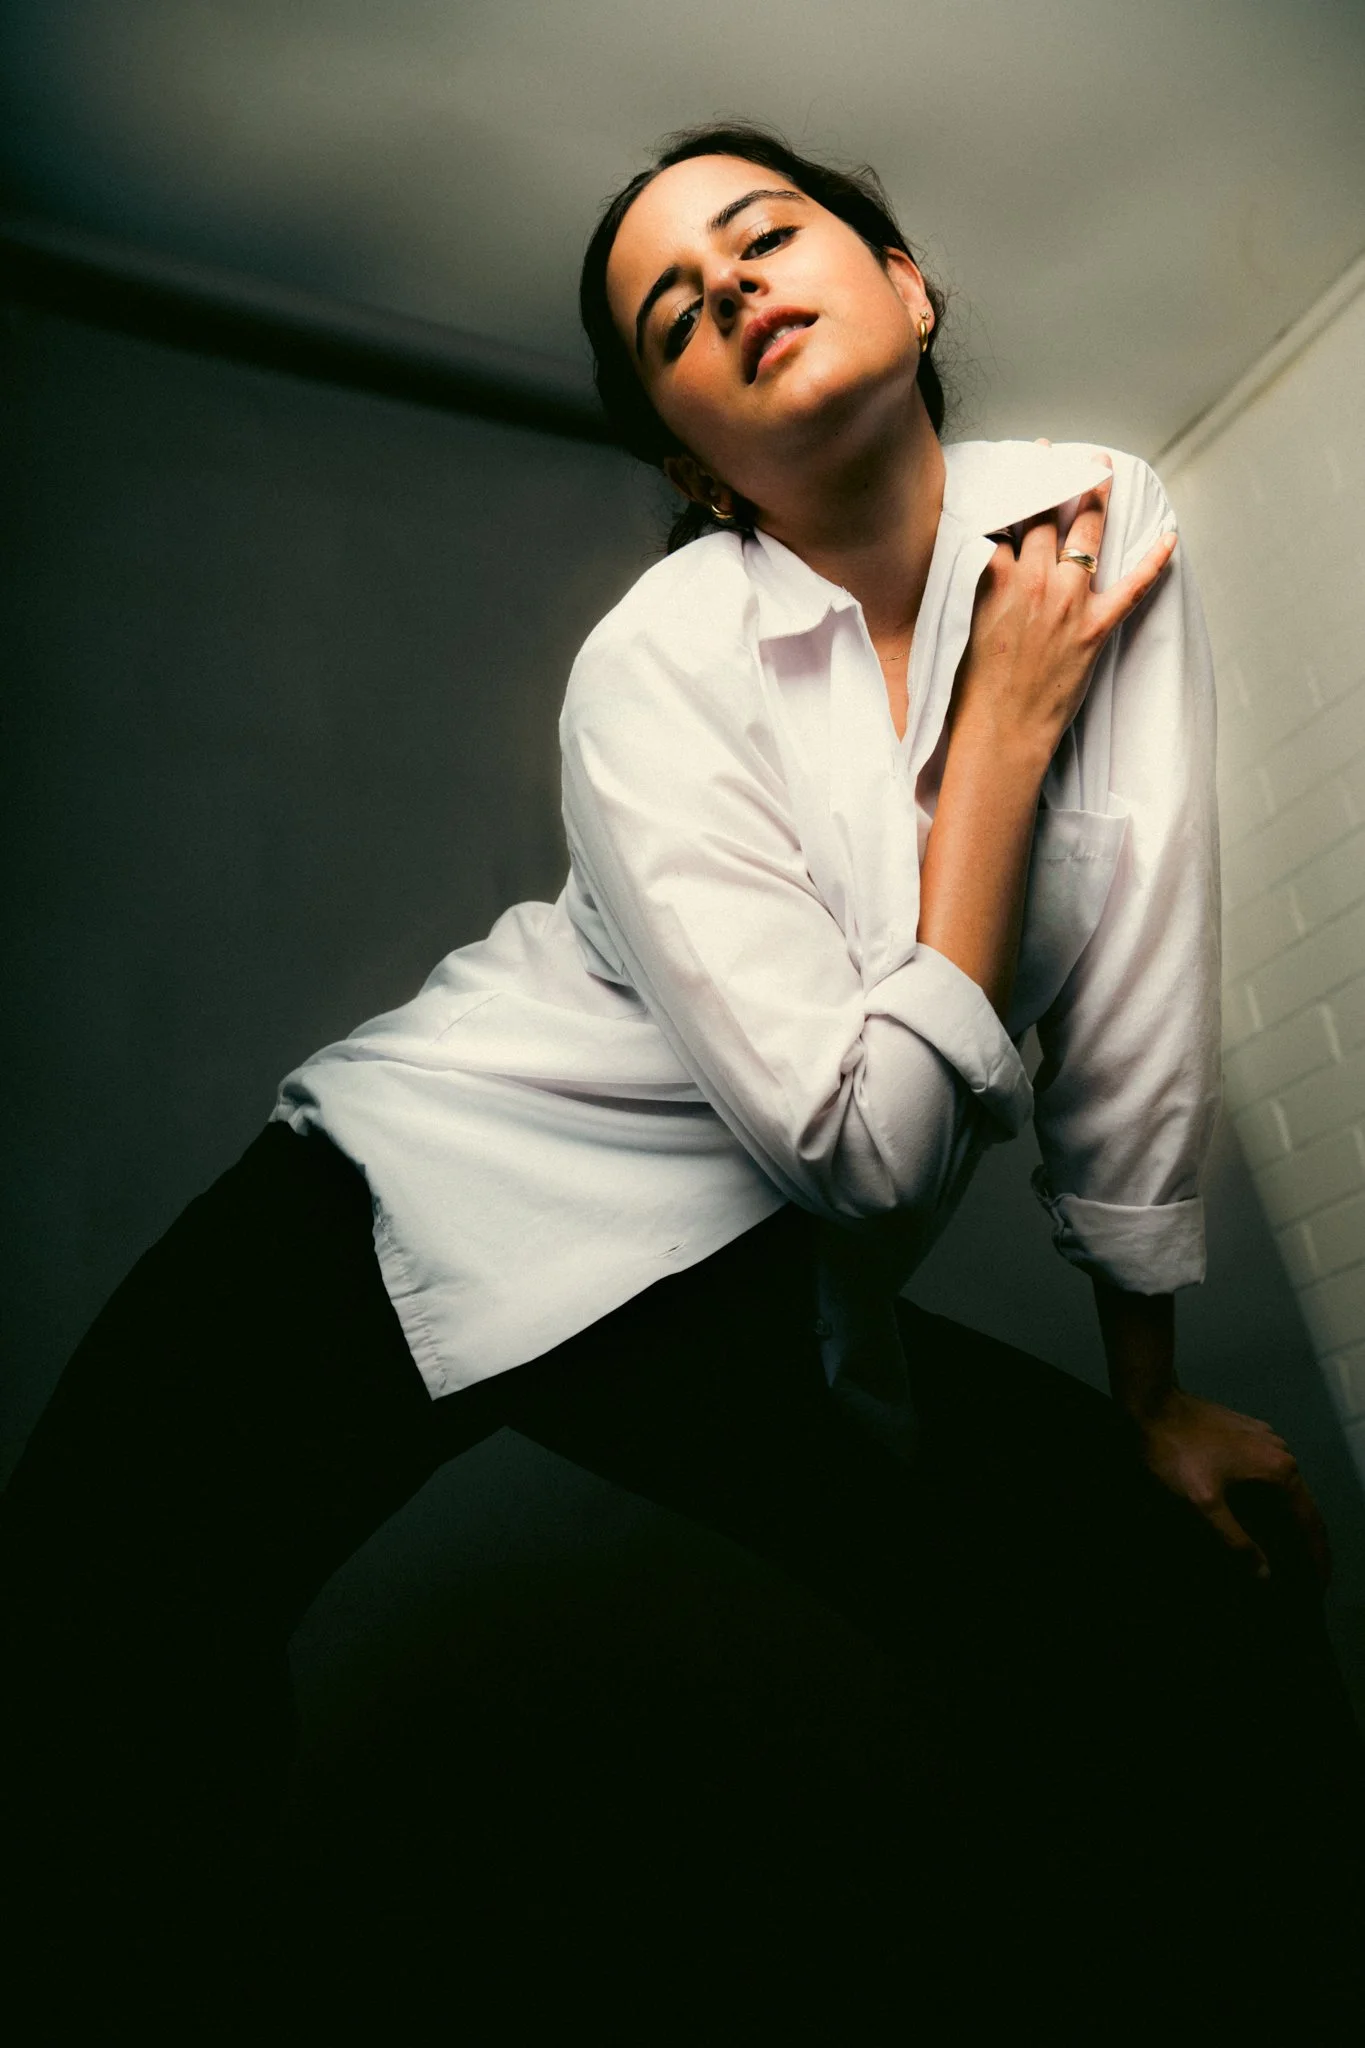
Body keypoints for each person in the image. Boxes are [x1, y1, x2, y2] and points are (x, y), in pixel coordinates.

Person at [2, 121, 1361, 2037]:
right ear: (688, 460)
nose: (726, 285)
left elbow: (1134, 967)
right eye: (670, 312)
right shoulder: (652, 661)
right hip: (415, 1190)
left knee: (1167, 1602)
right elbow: (866, 1156)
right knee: (77, 1660)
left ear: (909, 286)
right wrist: (997, 753)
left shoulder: (1094, 528)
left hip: (727, 1268)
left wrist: (1152, 1395)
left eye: (765, 235)